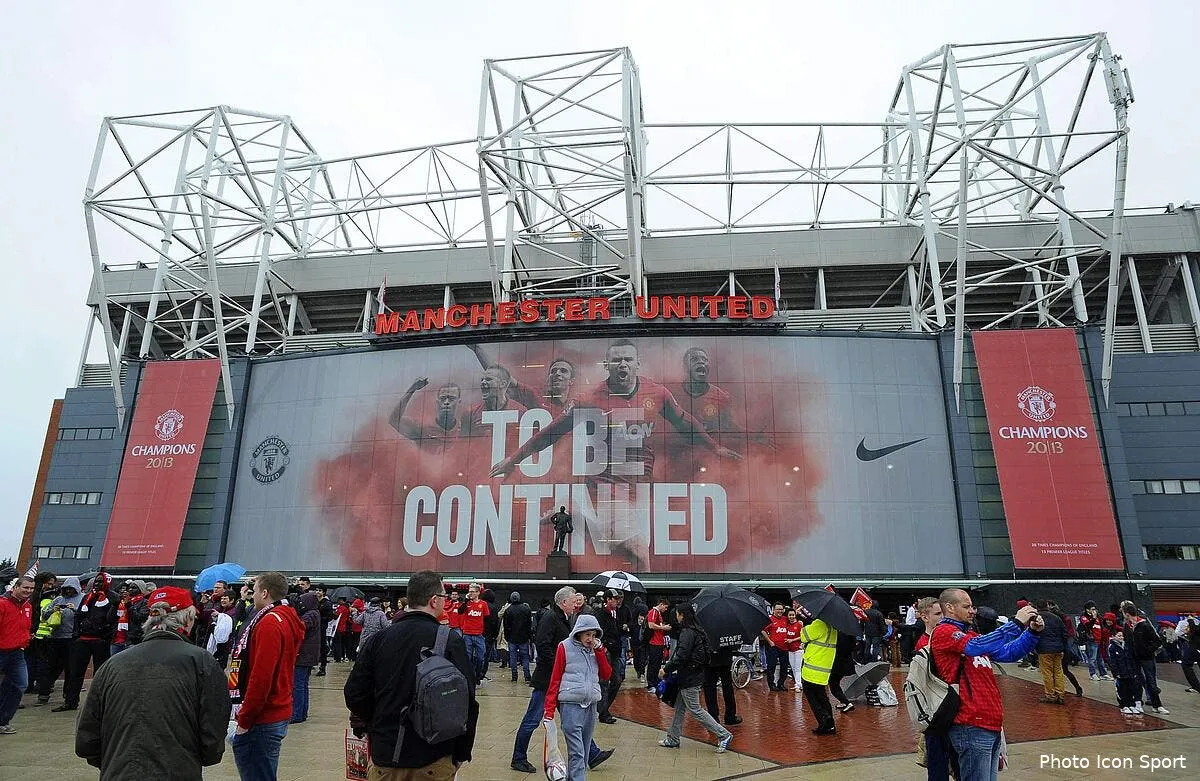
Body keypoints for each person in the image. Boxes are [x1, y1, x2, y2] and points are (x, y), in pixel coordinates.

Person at [75, 586, 230, 779]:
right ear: (188, 619)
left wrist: (115, 760)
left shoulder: (112, 665)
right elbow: (213, 731)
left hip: (119, 772)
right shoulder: (202, 662)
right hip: (178, 772)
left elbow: (86, 738)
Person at [345, 569, 479, 780]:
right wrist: (462, 751)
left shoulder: (380, 639)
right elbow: (467, 702)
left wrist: (377, 723)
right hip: (433, 756)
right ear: (434, 600)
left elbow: (354, 693)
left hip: (385, 755)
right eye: (443, 596)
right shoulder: (450, 641)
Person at [931, 590, 1043, 781]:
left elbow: (1008, 653)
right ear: (949, 607)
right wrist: (1015, 624)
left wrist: (1032, 633)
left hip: (989, 723)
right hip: (969, 724)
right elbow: (976, 646)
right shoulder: (944, 632)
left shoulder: (971, 635)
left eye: (972, 606)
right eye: (966, 607)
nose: (972, 611)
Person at [512, 586, 612, 775]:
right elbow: (542, 644)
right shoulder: (551, 617)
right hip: (548, 680)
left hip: (564, 684)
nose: (576, 603)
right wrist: (560, 666)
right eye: (573, 600)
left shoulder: (566, 619)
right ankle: (518, 757)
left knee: (573, 722)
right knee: (533, 719)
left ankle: (592, 754)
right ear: (563, 602)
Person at [229, 572, 305, 781]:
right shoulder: (285, 616)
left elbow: (261, 677)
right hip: (276, 709)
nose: (252, 596)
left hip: (263, 716)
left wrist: (245, 719)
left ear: (264, 593)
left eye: (254, 592)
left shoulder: (269, 623)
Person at [544, 612, 612, 781]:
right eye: (587, 634)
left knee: (585, 750)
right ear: (579, 632)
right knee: (577, 752)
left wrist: (600, 652)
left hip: (590, 704)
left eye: (593, 635)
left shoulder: (597, 649)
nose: (591, 638)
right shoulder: (564, 647)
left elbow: (606, 674)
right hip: (570, 704)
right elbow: (555, 678)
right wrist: (549, 710)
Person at [658, 603, 733, 752]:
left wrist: (666, 669)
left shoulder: (687, 632)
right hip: (693, 675)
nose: (676, 617)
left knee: (695, 709)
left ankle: (723, 734)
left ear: (683, 615)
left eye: (678, 614)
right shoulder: (698, 630)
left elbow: (681, 655)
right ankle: (673, 738)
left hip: (689, 677)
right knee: (680, 707)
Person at [57, 572, 119, 712]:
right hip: (83, 639)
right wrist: (77, 635)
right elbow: (79, 616)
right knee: (75, 672)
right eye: (95, 582)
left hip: (100, 641)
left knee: (100, 674)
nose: (96, 584)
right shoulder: (87, 597)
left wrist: (105, 636)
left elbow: (113, 619)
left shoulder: (113, 597)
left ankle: (99, 705)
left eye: (99, 581)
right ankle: (70, 702)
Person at [912, 596, 950, 781]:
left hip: (949, 711)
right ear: (924, 617)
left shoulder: (945, 636)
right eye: (937, 613)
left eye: (943, 612)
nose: (942, 617)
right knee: (938, 766)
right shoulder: (924, 645)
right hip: (937, 713)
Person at [35, 576, 81, 706]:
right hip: (55, 638)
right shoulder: (58, 599)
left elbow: (85, 615)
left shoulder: (82, 599)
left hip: (72, 639)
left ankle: (68, 695)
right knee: (51, 667)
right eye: (66, 589)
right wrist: (53, 610)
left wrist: (75, 610)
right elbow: (44, 615)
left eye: (71, 589)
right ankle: (43, 694)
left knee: (70, 668)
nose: (68, 592)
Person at [0, 576, 35, 735]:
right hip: (1, 651)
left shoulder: (28, 606)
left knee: (20, 683)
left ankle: (3, 720)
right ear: (15, 587)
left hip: (16, 653)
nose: (28, 591)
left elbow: (24, 627)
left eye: (31, 588)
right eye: (25, 588)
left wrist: (25, 639)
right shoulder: (2, 604)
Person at [1121, 600, 1168, 715]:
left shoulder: (1144, 625)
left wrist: (1148, 650)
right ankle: (1138, 703)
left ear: (1127, 614)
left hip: (1147, 658)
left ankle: (1157, 704)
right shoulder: (1126, 627)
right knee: (1137, 680)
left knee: (1151, 680)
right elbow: (1127, 642)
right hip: (1134, 658)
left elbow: (1157, 641)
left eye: (1123, 612)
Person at [798, 614, 839, 735]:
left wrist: (803, 625)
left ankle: (824, 720)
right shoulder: (833, 626)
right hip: (824, 668)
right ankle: (830, 724)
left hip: (812, 668)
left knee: (813, 697)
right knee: (822, 696)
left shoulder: (819, 623)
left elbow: (803, 636)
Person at [291, 591, 321, 724]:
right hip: (308, 655)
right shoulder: (314, 613)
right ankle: (302, 713)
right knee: (302, 685)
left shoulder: (311, 614)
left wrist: (293, 612)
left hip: (303, 655)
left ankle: (297, 714)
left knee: (298, 685)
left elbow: (300, 626)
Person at [1035, 600, 1069, 704]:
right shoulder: (1056, 617)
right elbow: (1064, 633)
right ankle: (1060, 694)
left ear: (1037, 607)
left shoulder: (1037, 618)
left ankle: (1050, 695)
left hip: (1044, 649)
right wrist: (1062, 647)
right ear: (1047, 606)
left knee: (1047, 673)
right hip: (1058, 649)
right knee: (1058, 672)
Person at [701, 641, 742, 726]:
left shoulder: (703, 628)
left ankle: (714, 718)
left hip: (709, 660)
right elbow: (735, 644)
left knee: (710, 689)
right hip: (724, 659)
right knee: (727, 688)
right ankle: (730, 716)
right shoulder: (728, 628)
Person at [458, 583, 491, 684]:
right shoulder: (467, 603)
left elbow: (487, 619)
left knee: (481, 657)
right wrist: (466, 600)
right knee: (468, 657)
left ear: (477, 593)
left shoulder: (483, 604)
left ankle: (478, 675)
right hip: (467, 634)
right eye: (469, 591)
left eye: (472, 591)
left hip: (479, 635)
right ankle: (469, 676)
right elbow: (460, 611)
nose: (470, 593)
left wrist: (486, 633)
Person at [1106, 629, 1143, 715]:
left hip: (1129, 672)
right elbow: (1112, 662)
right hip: (1120, 673)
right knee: (1121, 689)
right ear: (1114, 636)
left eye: (1122, 636)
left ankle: (1131, 705)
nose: (1121, 637)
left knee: (1131, 688)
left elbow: (1131, 660)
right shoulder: (1112, 647)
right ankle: (1124, 705)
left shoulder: (1126, 646)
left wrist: (1133, 671)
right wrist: (1116, 673)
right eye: (1119, 636)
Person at [503, 591, 533, 684]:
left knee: (513, 657)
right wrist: (529, 636)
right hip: (523, 638)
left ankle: (514, 676)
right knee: (525, 657)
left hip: (512, 637)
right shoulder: (526, 609)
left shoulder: (508, 610)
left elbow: (506, 625)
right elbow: (529, 624)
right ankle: (527, 677)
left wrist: (507, 637)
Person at [644, 595, 670, 693]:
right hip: (654, 642)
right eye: (665, 607)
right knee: (653, 663)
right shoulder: (654, 612)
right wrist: (663, 628)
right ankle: (651, 683)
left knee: (657, 663)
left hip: (658, 642)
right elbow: (651, 625)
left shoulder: (657, 613)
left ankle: (654, 682)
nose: (666, 609)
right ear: (661, 604)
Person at [761, 603, 790, 691]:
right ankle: (771, 685)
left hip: (785, 647)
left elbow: (793, 622)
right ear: (773, 610)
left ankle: (781, 684)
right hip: (773, 647)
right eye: (778, 609)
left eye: (781, 609)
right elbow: (763, 630)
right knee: (771, 667)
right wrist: (769, 641)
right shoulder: (769, 619)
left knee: (784, 667)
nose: (779, 611)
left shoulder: (786, 619)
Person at [1078, 602, 1109, 680]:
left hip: (1099, 640)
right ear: (1087, 610)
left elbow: (1102, 626)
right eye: (1092, 609)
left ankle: (1103, 674)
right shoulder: (1084, 617)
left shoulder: (1099, 617)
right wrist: (1093, 618)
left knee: (1100, 658)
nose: (1094, 611)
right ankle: (1093, 674)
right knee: (1092, 658)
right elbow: (1087, 625)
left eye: (1095, 609)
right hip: (1091, 640)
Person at [784, 608, 805, 693]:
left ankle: (798, 685)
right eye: (790, 615)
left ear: (795, 615)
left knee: (797, 668)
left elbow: (802, 636)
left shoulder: (799, 624)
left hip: (798, 649)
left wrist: (792, 640)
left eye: (793, 615)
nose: (791, 616)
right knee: (793, 668)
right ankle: (799, 684)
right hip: (790, 650)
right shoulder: (787, 625)